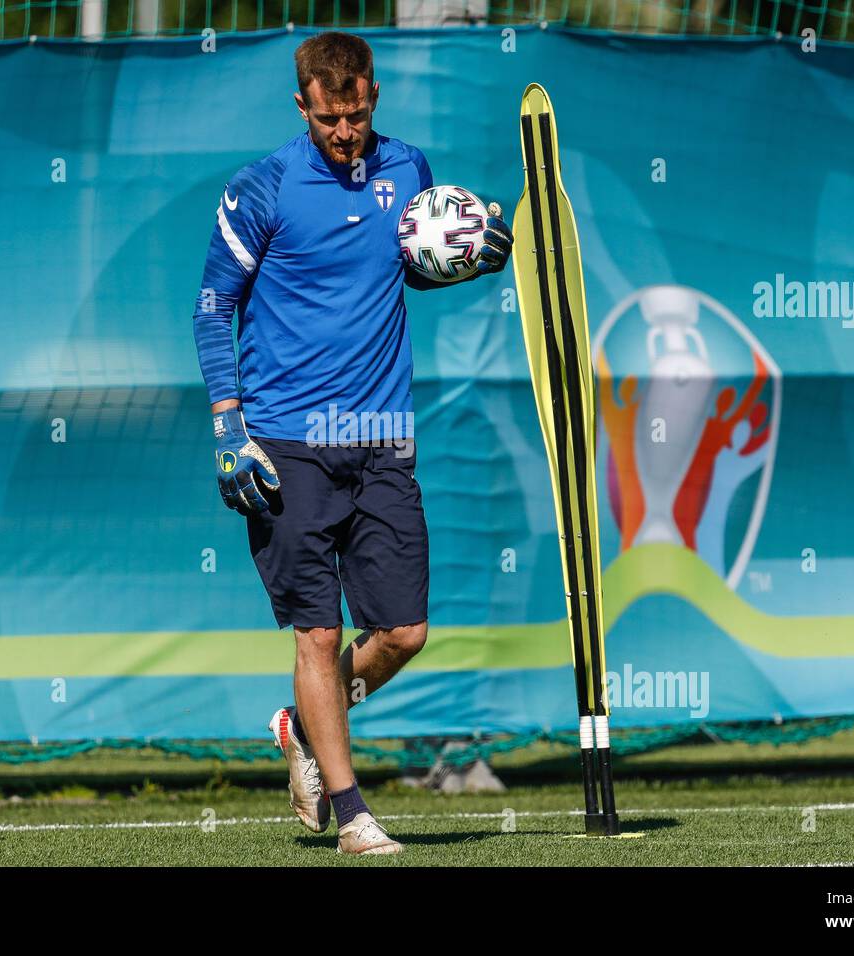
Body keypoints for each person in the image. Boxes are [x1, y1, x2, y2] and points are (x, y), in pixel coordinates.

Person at [191, 31, 513, 855]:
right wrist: (229, 424)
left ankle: (303, 723)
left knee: (404, 631)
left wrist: (468, 257)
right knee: (318, 633)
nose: (347, 132)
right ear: (303, 106)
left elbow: (403, 261)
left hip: (380, 435)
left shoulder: (409, 169)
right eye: (331, 118)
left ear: (374, 97)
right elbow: (211, 308)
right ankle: (355, 814)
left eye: (359, 114)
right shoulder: (260, 187)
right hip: (285, 440)